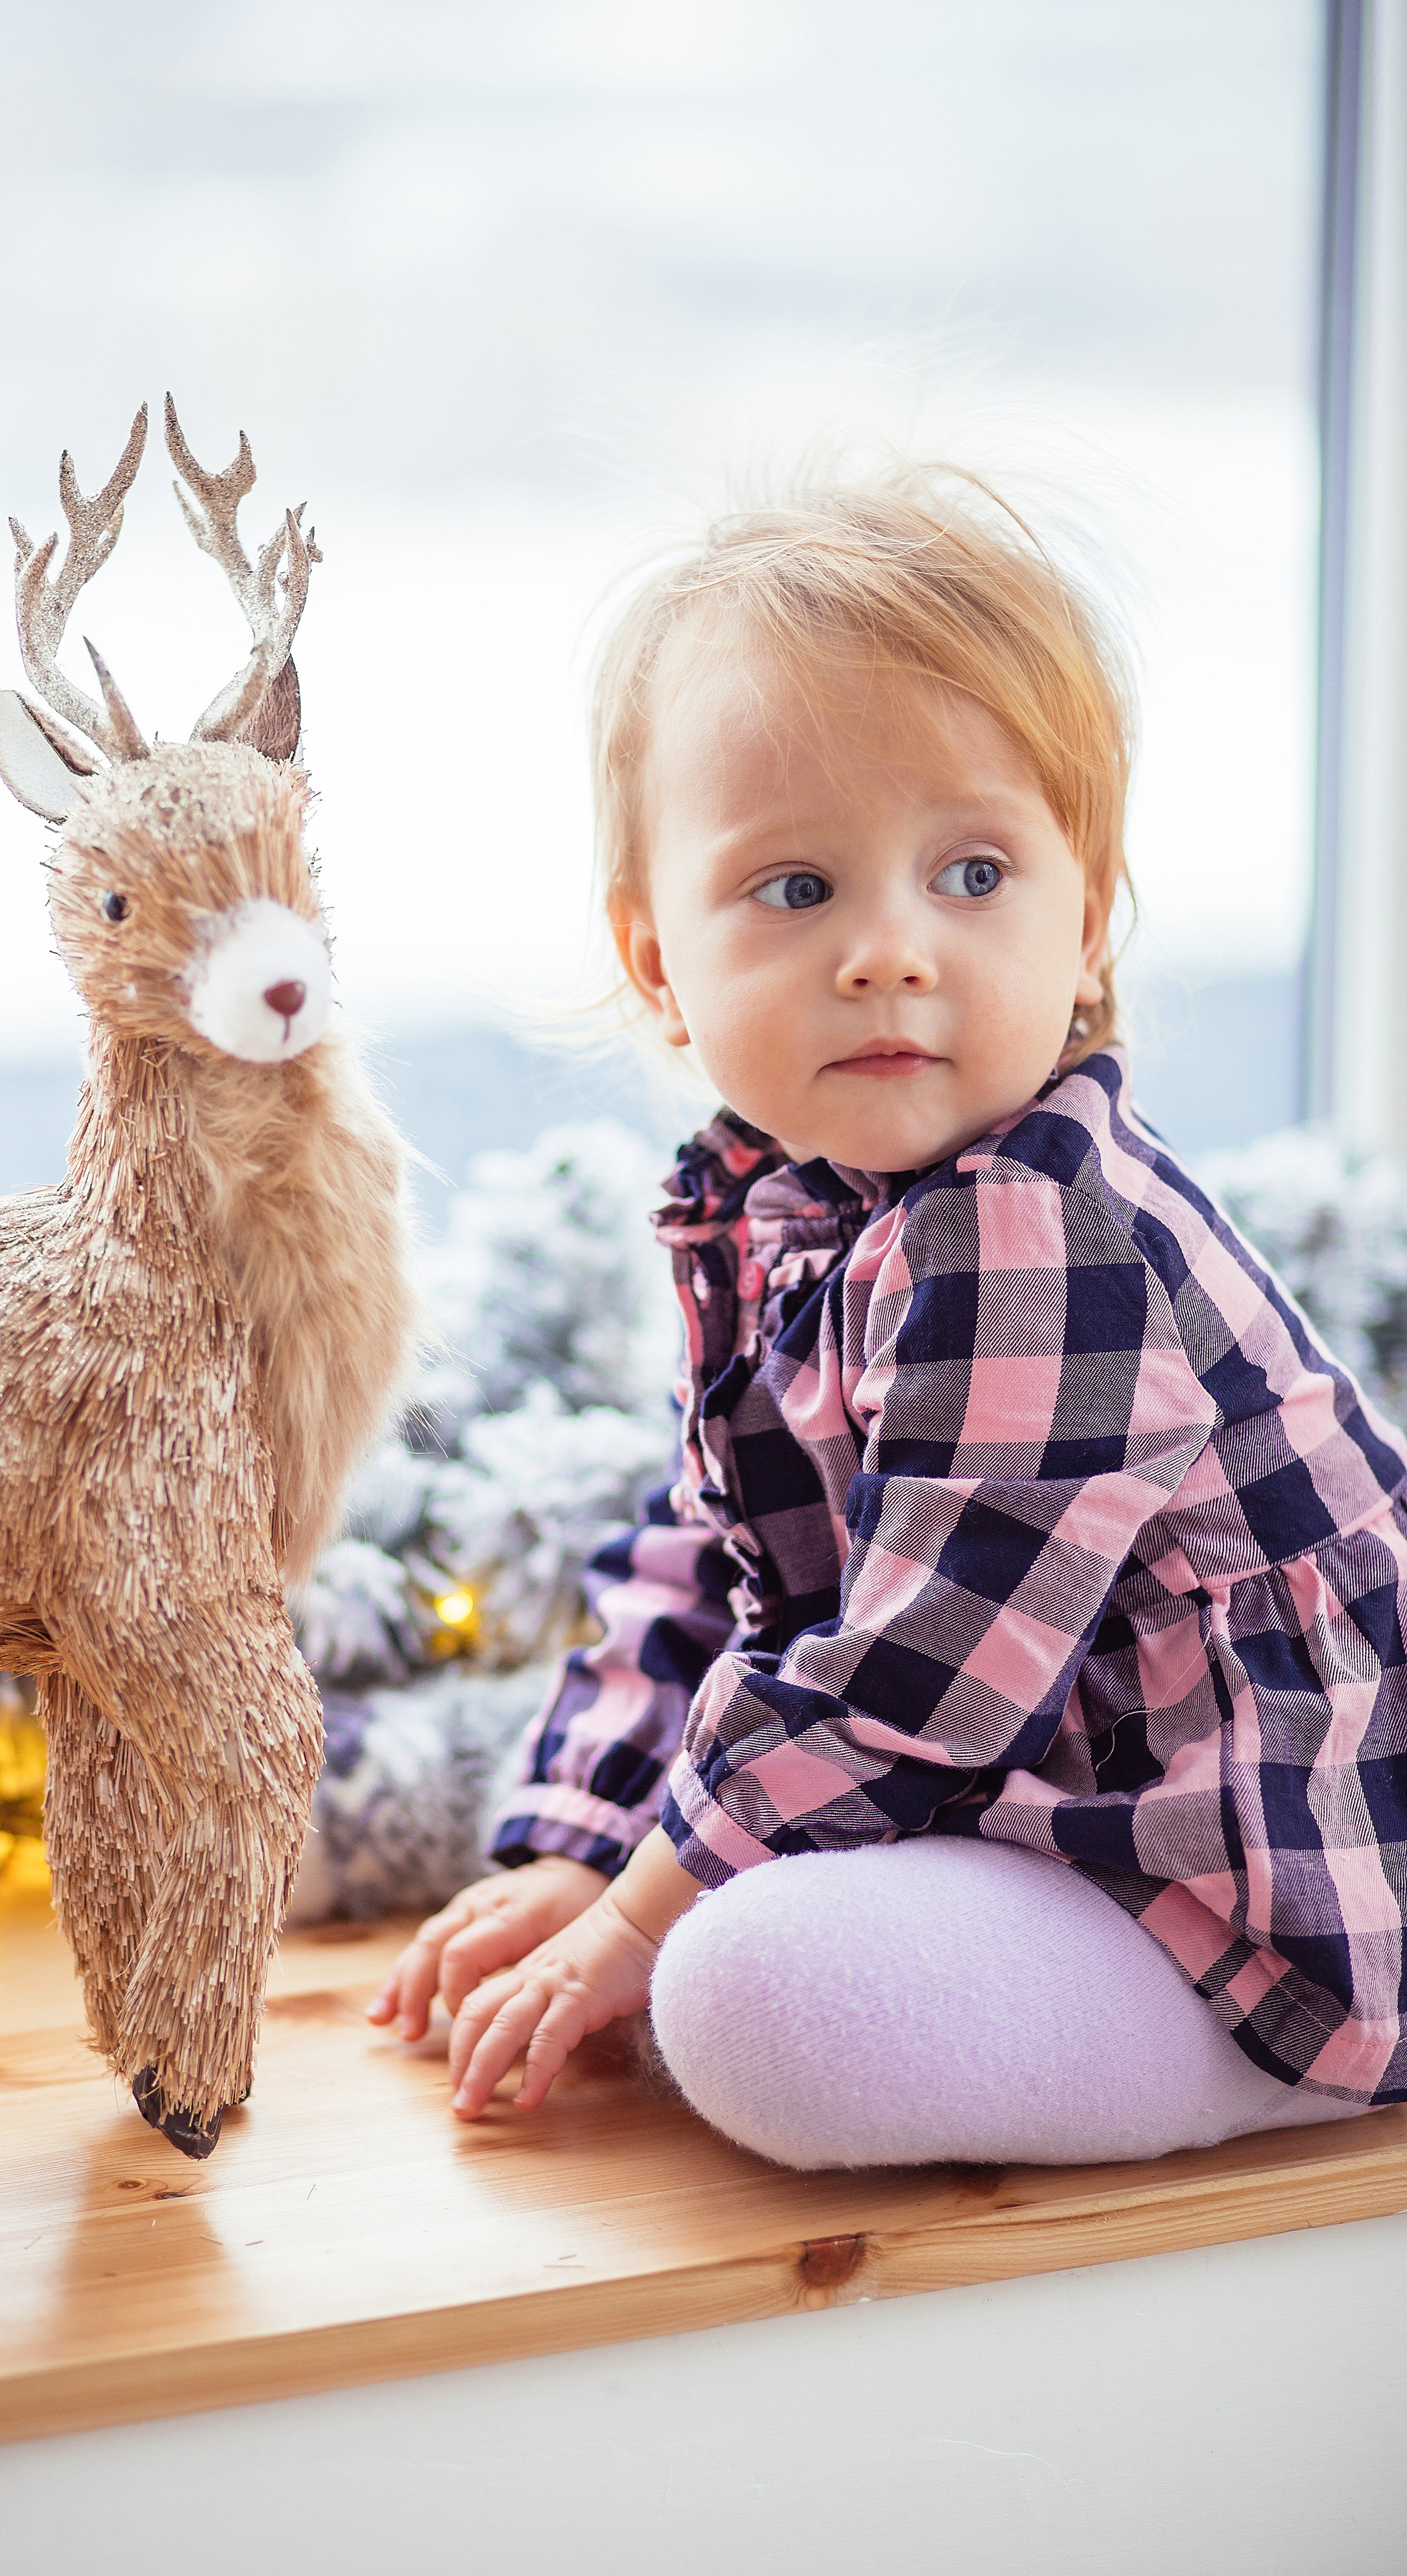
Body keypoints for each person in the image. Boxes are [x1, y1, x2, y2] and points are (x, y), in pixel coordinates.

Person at [369, 470, 1407, 2167]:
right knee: (722, 1932)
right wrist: (571, 1844)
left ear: (1085, 924)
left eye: (972, 870)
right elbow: (704, 1565)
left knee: (749, 1996)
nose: (886, 951)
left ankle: (1257, 2062)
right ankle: (888, 1925)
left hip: (1273, 1878)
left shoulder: (1038, 1228)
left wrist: (638, 1919)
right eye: (793, 890)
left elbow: (914, 1684)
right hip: (1054, 1798)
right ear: (656, 966)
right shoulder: (785, 1208)